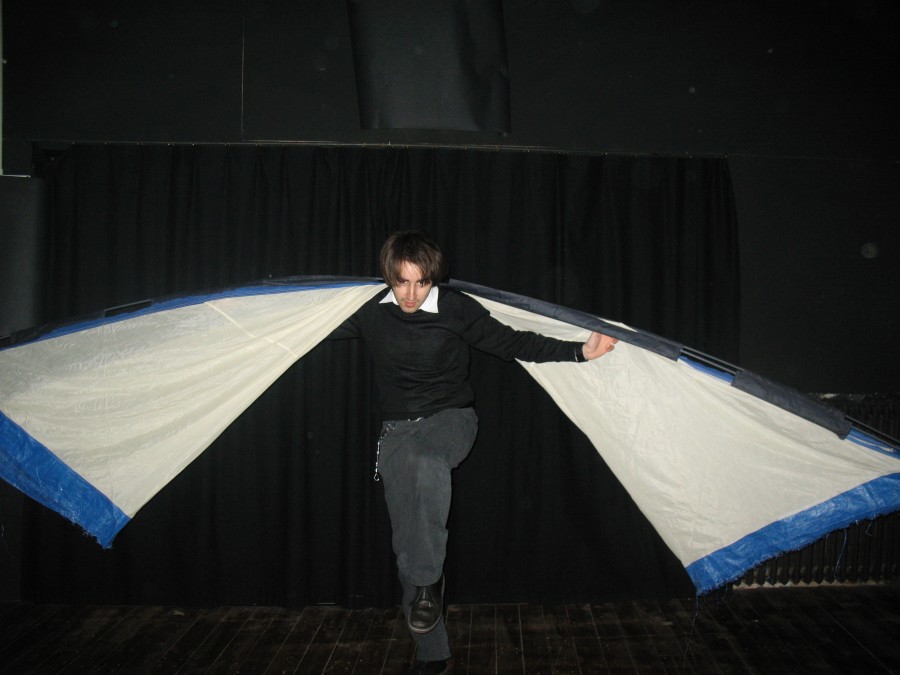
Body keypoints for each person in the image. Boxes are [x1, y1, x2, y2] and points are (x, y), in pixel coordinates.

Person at [332, 231, 617, 674]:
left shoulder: (456, 309)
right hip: (397, 433)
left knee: (426, 469)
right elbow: (304, 329)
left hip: (451, 421)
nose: (411, 294)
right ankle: (433, 652)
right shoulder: (370, 313)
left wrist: (580, 352)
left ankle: (427, 583)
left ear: (433, 279)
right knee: (410, 537)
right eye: (401, 282)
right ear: (388, 277)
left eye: (421, 282)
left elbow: (513, 343)